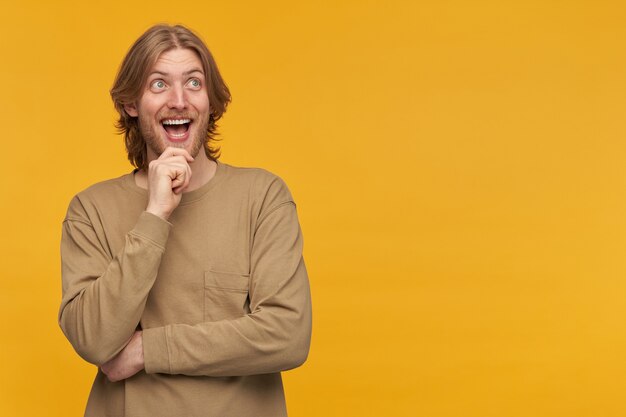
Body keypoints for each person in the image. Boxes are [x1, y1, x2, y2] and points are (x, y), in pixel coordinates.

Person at [59, 24, 312, 417]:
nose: (179, 100)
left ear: (211, 101)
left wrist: (147, 350)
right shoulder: (90, 210)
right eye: (158, 85)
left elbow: (288, 334)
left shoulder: (264, 197)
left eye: (193, 83)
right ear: (130, 103)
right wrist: (155, 214)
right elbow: (94, 340)